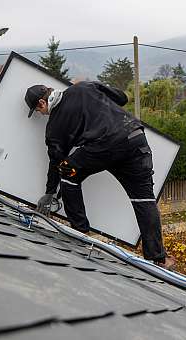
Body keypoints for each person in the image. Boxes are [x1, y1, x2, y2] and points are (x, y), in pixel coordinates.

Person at [24, 82, 175, 269]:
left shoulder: (54, 127)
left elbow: (56, 161)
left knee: (67, 173)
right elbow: (122, 98)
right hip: (135, 138)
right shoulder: (84, 87)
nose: (40, 114)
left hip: (105, 147)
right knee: (143, 199)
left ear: (41, 102)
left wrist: (49, 193)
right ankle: (159, 258)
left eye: (38, 111)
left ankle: (80, 233)